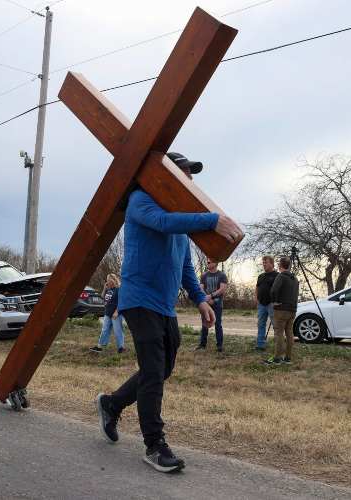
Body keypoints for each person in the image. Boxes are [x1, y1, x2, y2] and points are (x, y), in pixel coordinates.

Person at [94, 151, 242, 473]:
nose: (189, 180)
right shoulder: (140, 199)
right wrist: (212, 219)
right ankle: (154, 445)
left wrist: (201, 299)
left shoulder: (180, 216)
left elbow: (186, 265)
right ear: (164, 177)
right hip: (137, 299)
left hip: (164, 304)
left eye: (191, 175)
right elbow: (162, 222)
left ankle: (112, 403)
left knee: (161, 369)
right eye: (184, 173)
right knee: (153, 370)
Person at [264, 256, 299, 365]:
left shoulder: (281, 276)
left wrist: (274, 301)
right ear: (289, 266)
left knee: (279, 333)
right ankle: (288, 358)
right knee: (289, 333)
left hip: (281, 309)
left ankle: (277, 358)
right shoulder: (295, 279)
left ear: (279, 265)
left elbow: (273, 290)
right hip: (292, 309)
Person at [196, 258, 228, 352]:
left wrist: (211, 296)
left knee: (218, 324)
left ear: (215, 263)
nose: (208, 263)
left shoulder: (221, 275)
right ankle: (202, 344)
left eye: (209, 262)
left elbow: (222, 289)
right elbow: (201, 288)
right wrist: (206, 298)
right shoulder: (204, 275)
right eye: (207, 262)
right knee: (205, 323)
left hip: (217, 303)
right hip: (206, 303)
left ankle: (219, 346)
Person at [90, 273, 126, 354]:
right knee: (105, 329)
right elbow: (103, 297)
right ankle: (99, 346)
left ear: (113, 280)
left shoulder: (118, 289)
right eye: (107, 280)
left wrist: (116, 312)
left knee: (118, 330)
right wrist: (104, 288)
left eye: (109, 280)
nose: (108, 282)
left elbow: (121, 301)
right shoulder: (108, 289)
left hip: (116, 313)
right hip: (107, 312)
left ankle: (121, 347)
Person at [255, 256, 278, 351]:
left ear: (272, 264)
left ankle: (278, 345)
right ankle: (260, 345)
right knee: (261, 324)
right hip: (261, 304)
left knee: (276, 325)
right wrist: (257, 299)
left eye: (266, 262)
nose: (264, 264)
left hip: (272, 304)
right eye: (263, 263)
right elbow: (257, 288)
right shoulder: (261, 276)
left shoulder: (277, 276)